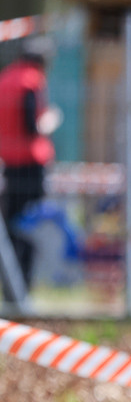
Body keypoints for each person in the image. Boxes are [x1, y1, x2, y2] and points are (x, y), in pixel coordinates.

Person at [0, 36, 60, 290]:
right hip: (29, 165)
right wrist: (50, 121)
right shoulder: (31, 81)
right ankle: (24, 286)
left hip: (7, 163)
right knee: (29, 226)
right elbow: (31, 126)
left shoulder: (6, 78)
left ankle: (11, 286)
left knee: (11, 226)